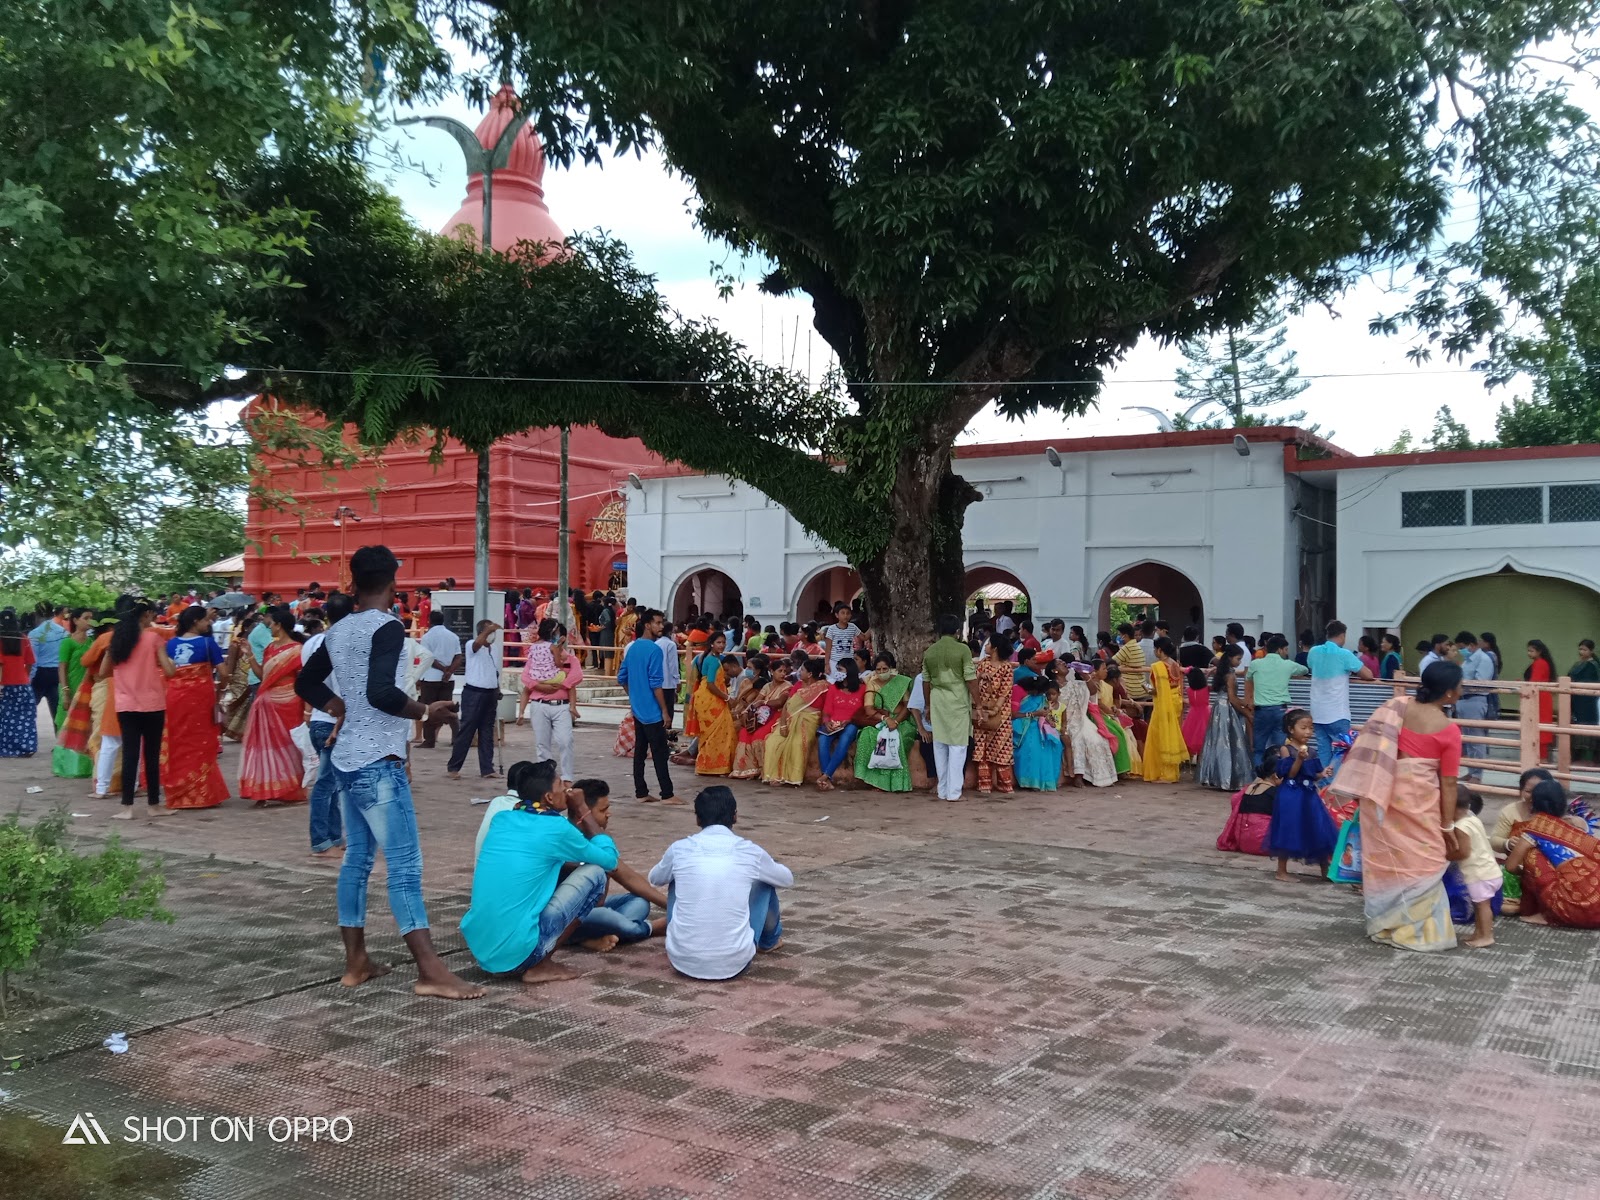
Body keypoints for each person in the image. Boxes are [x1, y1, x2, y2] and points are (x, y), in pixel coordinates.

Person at [296, 544, 483, 1000]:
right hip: (377, 760)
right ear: (394, 583)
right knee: (403, 865)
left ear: (354, 583)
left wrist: (336, 704)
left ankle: (356, 962)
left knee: (357, 861)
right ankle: (430, 971)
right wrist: (426, 710)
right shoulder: (388, 626)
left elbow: (306, 682)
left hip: (345, 759)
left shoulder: (338, 630)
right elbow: (381, 693)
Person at [1326, 662, 1466, 952]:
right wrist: (1448, 824)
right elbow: (1449, 783)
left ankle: (1388, 923)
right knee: (1424, 861)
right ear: (1450, 693)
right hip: (1420, 801)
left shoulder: (1395, 707)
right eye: (1460, 686)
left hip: (1383, 795)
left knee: (1389, 859)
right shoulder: (1449, 730)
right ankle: (1417, 930)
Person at [461, 760, 618, 984]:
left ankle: (536, 948)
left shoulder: (503, 818)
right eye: (560, 787)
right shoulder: (556, 827)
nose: (567, 789)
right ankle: (541, 963)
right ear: (549, 798)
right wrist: (583, 809)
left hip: (481, 949)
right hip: (518, 954)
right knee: (595, 873)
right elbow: (609, 860)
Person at [647, 786, 792, 980]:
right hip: (735, 961)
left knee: (674, 878)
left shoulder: (680, 848)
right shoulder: (750, 851)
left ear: (698, 818)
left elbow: (655, 878)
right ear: (735, 817)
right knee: (765, 882)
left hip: (681, 959)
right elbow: (786, 879)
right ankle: (769, 941)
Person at [564, 778, 669, 950]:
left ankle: (592, 937)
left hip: (593, 909)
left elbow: (628, 876)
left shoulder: (601, 837)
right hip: (567, 914)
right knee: (607, 916)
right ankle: (650, 929)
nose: (608, 813)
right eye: (603, 809)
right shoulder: (566, 837)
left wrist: (671, 906)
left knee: (640, 901)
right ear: (583, 813)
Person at [103, 600, 176, 816]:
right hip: (152, 703)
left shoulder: (117, 640)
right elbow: (170, 671)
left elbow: (103, 671)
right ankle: (154, 805)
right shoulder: (153, 638)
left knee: (130, 755)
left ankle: (127, 808)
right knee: (151, 756)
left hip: (126, 704)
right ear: (145, 615)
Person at [298, 593, 354, 857]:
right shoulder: (344, 642)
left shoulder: (313, 643)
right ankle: (320, 840)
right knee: (326, 785)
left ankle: (333, 836)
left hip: (321, 717)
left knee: (331, 784)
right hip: (334, 720)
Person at [1503, 780, 1600, 928]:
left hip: (1575, 906)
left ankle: (1547, 914)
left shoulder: (1535, 830)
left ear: (1534, 803)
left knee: (1532, 855)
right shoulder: (1578, 822)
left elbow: (1510, 866)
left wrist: (1525, 873)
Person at [238, 604, 308, 806]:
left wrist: (307, 710)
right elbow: (262, 675)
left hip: (289, 703)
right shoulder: (270, 648)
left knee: (288, 747)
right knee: (263, 747)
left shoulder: (298, 650)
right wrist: (249, 653)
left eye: (272, 624)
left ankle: (288, 789)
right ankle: (262, 790)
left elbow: (301, 680)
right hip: (267, 703)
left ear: (280, 626)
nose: (269, 626)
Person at [161, 606, 230, 810]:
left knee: (178, 742)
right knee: (201, 743)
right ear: (195, 622)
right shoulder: (208, 644)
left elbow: (167, 672)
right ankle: (201, 793)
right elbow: (224, 673)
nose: (208, 624)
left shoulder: (170, 644)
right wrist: (222, 688)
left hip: (174, 698)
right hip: (200, 699)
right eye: (205, 620)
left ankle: (177, 791)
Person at [617, 609, 679, 804]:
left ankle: (641, 792)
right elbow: (656, 683)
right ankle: (667, 794)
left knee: (640, 752)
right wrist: (664, 710)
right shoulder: (654, 650)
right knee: (660, 753)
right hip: (652, 711)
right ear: (647, 625)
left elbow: (622, 678)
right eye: (658, 623)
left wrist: (634, 696)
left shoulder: (633, 648)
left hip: (638, 709)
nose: (661, 626)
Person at [1269, 709, 1337, 882]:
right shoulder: (1287, 749)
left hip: (1309, 796)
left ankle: (1326, 870)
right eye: (1304, 727)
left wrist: (1324, 773)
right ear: (1291, 729)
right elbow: (1290, 774)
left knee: (1318, 828)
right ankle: (1281, 871)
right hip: (1291, 796)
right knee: (1288, 829)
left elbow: (1313, 775)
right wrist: (1299, 758)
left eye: (1311, 728)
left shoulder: (1312, 752)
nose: (1308, 732)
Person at [923, 614, 979, 801]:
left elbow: (926, 681)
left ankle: (943, 790)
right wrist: (978, 703)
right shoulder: (962, 650)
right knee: (958, 746)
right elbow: (970, 679)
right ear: (957, 631)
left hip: (937, 701)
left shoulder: (930, 651)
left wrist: (928, 705)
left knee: (940, 745)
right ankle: (954, 793)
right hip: (957, 702)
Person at [1306, 621, 1373, 766]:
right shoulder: (1344, 654)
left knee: (1324, 750)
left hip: (1317, 713)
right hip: (1337, 714)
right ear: (1342, 635)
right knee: (1343, 751)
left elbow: (1311, 666)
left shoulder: (1313, 652)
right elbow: (1368, 675)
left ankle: (1324, 785)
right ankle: (1335, 783)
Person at [446, 620, 502, 781]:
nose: (492, 635)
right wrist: (487, 630)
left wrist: (497, 689)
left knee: (487, 731)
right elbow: (477, 643)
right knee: (467, 730)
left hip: (490, 693)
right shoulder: (473, 645)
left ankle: (487, 768)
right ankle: (454, 767)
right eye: (489, 632)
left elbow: (495, 671)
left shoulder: (495, 649)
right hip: (474, 693)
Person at [762, 657, 829, 786]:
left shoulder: (823, 687)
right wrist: (782, 724)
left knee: (798, 743)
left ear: (810, 674)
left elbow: (827, 709)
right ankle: (774, 776)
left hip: (809, 721)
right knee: (772, 741)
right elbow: (788, 705)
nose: (799, 672)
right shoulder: (797, 685)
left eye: (802, 669)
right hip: (790, 719)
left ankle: (792, 779)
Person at [855, 652, 914, 793]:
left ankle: (895, 782)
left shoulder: (902, 682)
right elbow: (868, 709)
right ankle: (874, 781)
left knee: (898, 738)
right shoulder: (872, 683)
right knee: (867, 735)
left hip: (901, 720)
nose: (881, 672)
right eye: (878, 669)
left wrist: (895, 721)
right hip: (879, 720)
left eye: (885, 669)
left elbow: (907, 706)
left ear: (891, 668)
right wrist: (885, 720)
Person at [1244, 634, 1307, 766]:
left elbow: (1248, 677)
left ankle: (1260, 779)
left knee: (1258, 749)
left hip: (1261, 711)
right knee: (1280, 749)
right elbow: (1304, 670)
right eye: (1285, 649)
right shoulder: (1288, 665)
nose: (1287, 652)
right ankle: (1278, 777)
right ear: (1279, 650)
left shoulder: (1256, 664)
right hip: (1280, 710)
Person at [1451, 789, 1500, 948]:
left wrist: (1447, 855)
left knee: (1482, 906)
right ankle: (1479, 933)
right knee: (1480, 906)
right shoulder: (1472, 820)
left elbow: (1463, 852)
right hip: (1490, 871)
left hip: (1479, 874)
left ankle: (1487, 936)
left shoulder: (1460, 827)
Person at [52, 609, 96, 778]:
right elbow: (62, 666)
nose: (89, 621)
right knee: (66, 725)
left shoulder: (92, 642)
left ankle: (83, 767)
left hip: (86, 690)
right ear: (76, 620)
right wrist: (65, 691)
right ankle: (64, 767)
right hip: (69, 687)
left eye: (90, 618)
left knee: (84, 726)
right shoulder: (67, 642)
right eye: (86, 618)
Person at [972, 633, 1017, 796]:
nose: (985, 646)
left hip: (1001, 714)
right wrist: (980, 676)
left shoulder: (1006, 668)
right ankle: (984, 784)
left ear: (995, 648)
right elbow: (973, 683)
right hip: (982, 710)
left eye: (988, 644)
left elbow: (1005, 693)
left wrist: (995, 710)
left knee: (1001, 746)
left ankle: (1005, 784)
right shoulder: (983, 664)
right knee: (982, 744)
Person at [731, 656, 790, 780]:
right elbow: (756, 701)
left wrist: (763, 703)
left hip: (777, 715)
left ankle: (764, 770)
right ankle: (747, 770)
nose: (783, 674)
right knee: (744, 732)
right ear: (772, 672)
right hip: (761, 716)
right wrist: (746, 712)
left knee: (758, 736)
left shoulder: (787, 686)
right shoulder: (767, 686)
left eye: (785, 671)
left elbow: (779, 702)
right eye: (780, 671)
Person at [689, 631, 736, 776]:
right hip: (711, 699)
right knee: (718, 732)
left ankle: (709, 765)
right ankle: (712, 766)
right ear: (712, 644)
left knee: (712, 733)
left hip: (707, 698)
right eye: (718, 642)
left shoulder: (709, 658)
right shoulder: (713, 660)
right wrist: (727, 698)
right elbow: (710, 684)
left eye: (723, 642)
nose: (722, 645)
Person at [1141, 638, 1187, 783]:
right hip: (1175, 702)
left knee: (1160, 736)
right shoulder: (1175, 664)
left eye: (1155, 649)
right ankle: (1171, 772)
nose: (1154, 652)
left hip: (1163, 704)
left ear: (1160, 650)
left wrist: (1147, 689)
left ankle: (1164, 773)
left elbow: (1158, 691)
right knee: (1171, 734)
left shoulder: (1158, 666)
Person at [816, 657, 866, 791]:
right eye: (837, 669)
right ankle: (827, 780)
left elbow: (862, 711)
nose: (837, 672)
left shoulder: (862, 689)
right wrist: (826, 722)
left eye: (840, 669)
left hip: (851, 723)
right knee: (822, 740)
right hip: (833, 723)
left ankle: (825, 775)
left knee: (846, 738)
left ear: (849, 671)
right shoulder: (833, 688)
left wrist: (848, 721)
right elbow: (826, 711)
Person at [415, 612, 463, 749]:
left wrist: (443, 670)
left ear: (430, 621)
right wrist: (449, 672)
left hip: (431, 677)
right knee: (446, 708)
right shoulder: (453, 636)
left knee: (428, 709)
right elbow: (458, 657)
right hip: (448, 679)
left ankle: (429, 740)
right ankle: (455, 736)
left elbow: (428, 658)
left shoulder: (427, 637)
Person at [1216, 753, 1278, 856]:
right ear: (1276, 775)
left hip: (1243, 843)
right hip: (1264, 845)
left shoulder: (1248, 789)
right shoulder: (1276, 793)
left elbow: (1234, 800)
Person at [1453, 631, 1495, 781]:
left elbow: (1480, 683)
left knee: (1476, 738)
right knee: (1468, 739)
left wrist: (1461, 683)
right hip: (1463, 699)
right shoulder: (1467, 660)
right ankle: (1471, 771)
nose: (1461, 651)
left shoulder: (1484, 659)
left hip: (1475, 699)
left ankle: (1478, 774)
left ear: (1471, 645)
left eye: (1462, 647)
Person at [1010, 674, 1062, 791]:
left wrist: (1049, 721)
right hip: (1022, 725)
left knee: (1049, 745)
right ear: (1034, 690)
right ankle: (1030, 782)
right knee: (1032, 747)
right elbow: (1013, 715)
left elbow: (1044, 711)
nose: (1042, 695)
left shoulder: (1041, 697)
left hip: (1039, 724)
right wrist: (1033, 714)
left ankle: (1045, 781)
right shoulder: (1017, 690)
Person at [0, 609, 38, 758]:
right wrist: (25, 678)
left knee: (5, 718)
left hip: (4, 685)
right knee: (25, 716)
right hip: (22, 684)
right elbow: (30, 663)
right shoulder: (23, 639)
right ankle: (26, 747)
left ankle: (7, 748)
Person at [27, 607, 67, 721]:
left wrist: (29, 680)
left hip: (40, 674)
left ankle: (28, 736)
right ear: (53, 614)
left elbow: (33, 661)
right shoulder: (63, 632)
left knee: (29, 711)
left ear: (36, 615)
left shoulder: (35, 634)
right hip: (57, 674)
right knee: (57, 714)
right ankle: (60, 737)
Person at [1525, 639, 1557, 758]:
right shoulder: (1540, 662)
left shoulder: (1540, 663)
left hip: (1539, 698)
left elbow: (1534, 682)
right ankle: (1540, 756)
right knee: (1539, 725)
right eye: (1528, 651)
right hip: (1541, 696)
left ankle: (1541, 757)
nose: (1529, 653)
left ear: (1539, 651)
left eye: (1531, 651)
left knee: (1539, 725)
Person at [1571, 639, 1598, 762]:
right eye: (1580, 649)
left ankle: (1589, 758)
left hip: (1589, 702)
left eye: (1584, 649)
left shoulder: (1593, 666)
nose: (1581, 651)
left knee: (1588, 726)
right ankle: (1577, 756)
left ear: (1591, 651)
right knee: (1576, 725)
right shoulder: (1578, 664)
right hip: (1577, 701)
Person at [821, 602, 861, 683]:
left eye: (848, 613)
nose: (845, 616)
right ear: (837, 615)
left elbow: (864, 637)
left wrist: (873, 626)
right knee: (834, 683)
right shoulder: (832, 629)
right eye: (842, 613)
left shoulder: (853, 627)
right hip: (835, 662)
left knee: (849, 683)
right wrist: (827, 664)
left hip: (848, 662)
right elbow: (828, 649)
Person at [1180, 664, 1211, 758]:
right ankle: (1200, 763)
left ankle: (1187, 762)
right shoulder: (1207, 689)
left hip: (1192, 714)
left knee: (1190, 736)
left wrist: (1189, 669)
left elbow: (1187, 670)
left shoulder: (1189, 690)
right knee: (1202, 739)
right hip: (1205, 714)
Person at [656, 620, 682, 732]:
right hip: (668, 683)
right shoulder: (670, 645)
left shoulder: (656, 644)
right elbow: (673, 665)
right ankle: (667, 733)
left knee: (659, 708)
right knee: (668, 709)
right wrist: (677, 680)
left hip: (657, 682)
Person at [1112, 623, 1148, 700]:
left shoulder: (1127, 648)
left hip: (1130, 690)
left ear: (1124, 636)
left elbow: (1112, 662)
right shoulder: (1137, 646)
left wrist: (1121, 666)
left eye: (1120, 634)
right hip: (1141, 688)